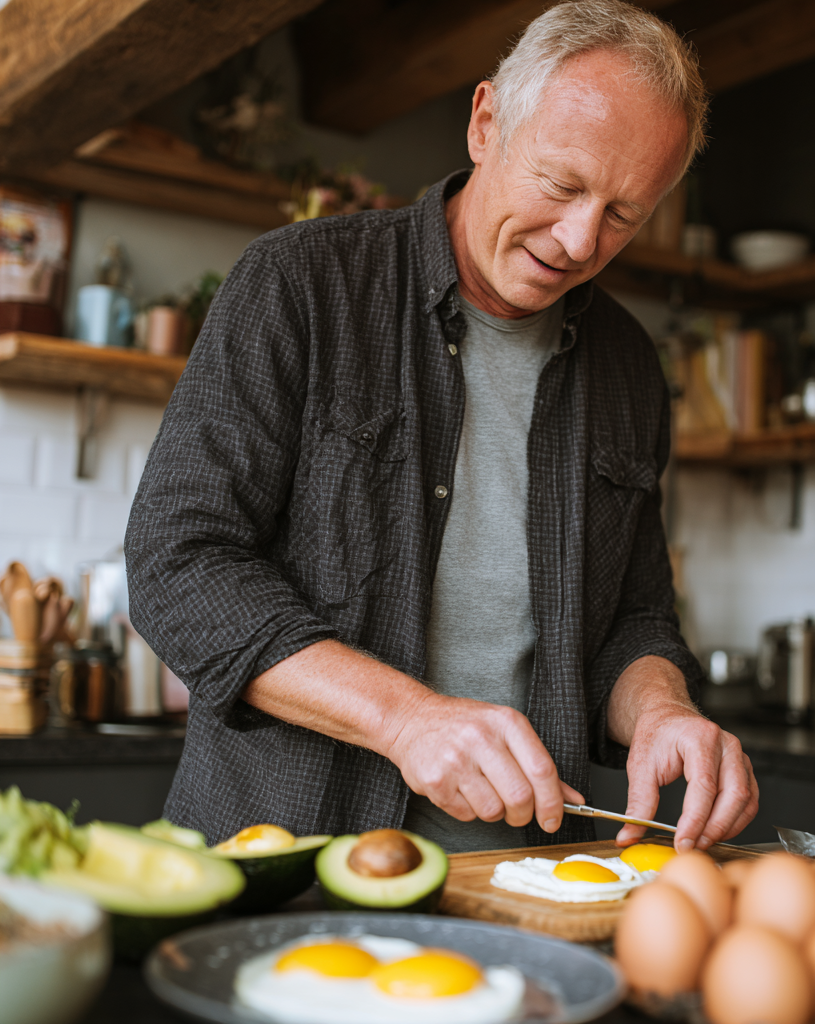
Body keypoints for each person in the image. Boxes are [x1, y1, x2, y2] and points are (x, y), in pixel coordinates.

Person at [125, 0, 759, 854]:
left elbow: (633, 620)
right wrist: (406, 720)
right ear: (486, 121)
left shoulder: (630, 367)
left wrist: (664, 709)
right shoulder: (300, 285)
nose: (578, 240)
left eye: (622, 214)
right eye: (562, 185)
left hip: (523, 878)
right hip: (285, 862)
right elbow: (179, 565)